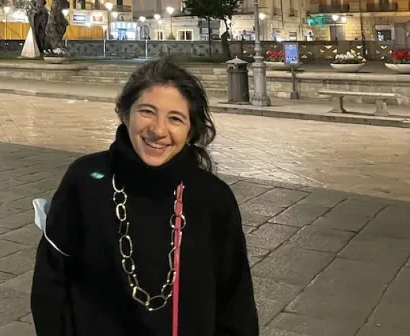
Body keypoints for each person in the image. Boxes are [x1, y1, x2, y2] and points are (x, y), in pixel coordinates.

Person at [31, 58, 258, 336]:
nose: (158, 130)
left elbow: (236, 304)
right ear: (126, 114)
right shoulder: (85, 180)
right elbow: (51, 280)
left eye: (175, 118)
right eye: (147, 112)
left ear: (190, 131)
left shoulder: (213, 199)